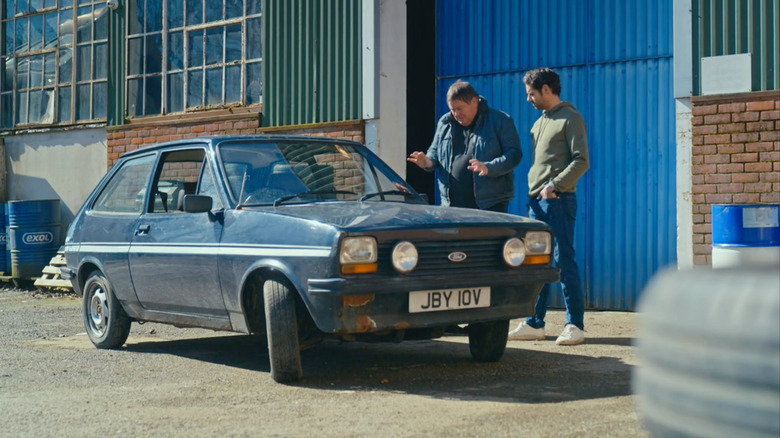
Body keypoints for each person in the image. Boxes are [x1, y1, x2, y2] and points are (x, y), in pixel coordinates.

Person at [508, 68, 590, 345]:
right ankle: (535, 322)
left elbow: (582, 160)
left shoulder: (571, 118)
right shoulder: (537, 123)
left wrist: (555, 185)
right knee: (536, 263)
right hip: (536, 203)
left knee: (563, 261)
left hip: (558, 199)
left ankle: (575, 324)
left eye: (531, 93)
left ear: (546, 89)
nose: (528, 99)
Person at [408, 80, 521, 213]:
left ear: (474, 101)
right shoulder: (445, 123)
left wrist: (488, 167)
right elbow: (434, 152)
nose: (456, 114)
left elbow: (514, 154)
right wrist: (427, 162)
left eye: (459, 108)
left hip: (489, 206)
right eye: (452, 109)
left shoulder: (500, 120)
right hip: (452, 208)